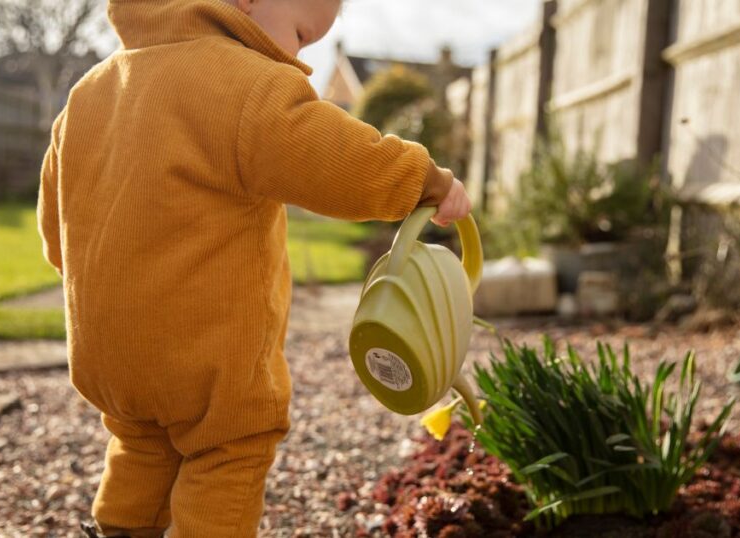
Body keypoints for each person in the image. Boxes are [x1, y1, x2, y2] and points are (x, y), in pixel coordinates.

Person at [35, 0, 472, 536]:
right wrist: (428, 181)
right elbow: (337, 160)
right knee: (228, 446)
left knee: (142, 440)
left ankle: (121, 529)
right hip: (204, 357)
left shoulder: (87, 94)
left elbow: (58, 229)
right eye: (300, 33)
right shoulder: (243, 84)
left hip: (107, 352)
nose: (301, 60)